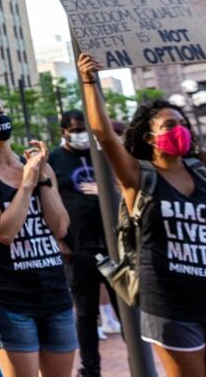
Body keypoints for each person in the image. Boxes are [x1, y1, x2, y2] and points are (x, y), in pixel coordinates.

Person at [78, 43, 206, 377]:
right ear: (150, 137)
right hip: (170, 303)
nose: (179, 129)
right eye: (169, 125)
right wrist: (90, 83)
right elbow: (104, 135)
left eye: (182, 123)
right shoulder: (138, 176)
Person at [0, 91, 76, 377]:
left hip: (54, 292)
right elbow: (4, 231)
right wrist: (26, 184)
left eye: (1, 109)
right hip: (9, 299)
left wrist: (42, 177)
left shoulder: (37, 166)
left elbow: (60, 227)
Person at [49, 109, 117, 377]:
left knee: (125, 308)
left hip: (111, 244)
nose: (81, 134)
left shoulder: (100, 155)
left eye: (84, 128)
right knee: (86, 314)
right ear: (64, 131)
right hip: (78, 248)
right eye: (76, 129)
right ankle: (91, 369)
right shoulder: (54, 160)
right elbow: (47, 201)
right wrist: (59, 240)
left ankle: (140, 359)